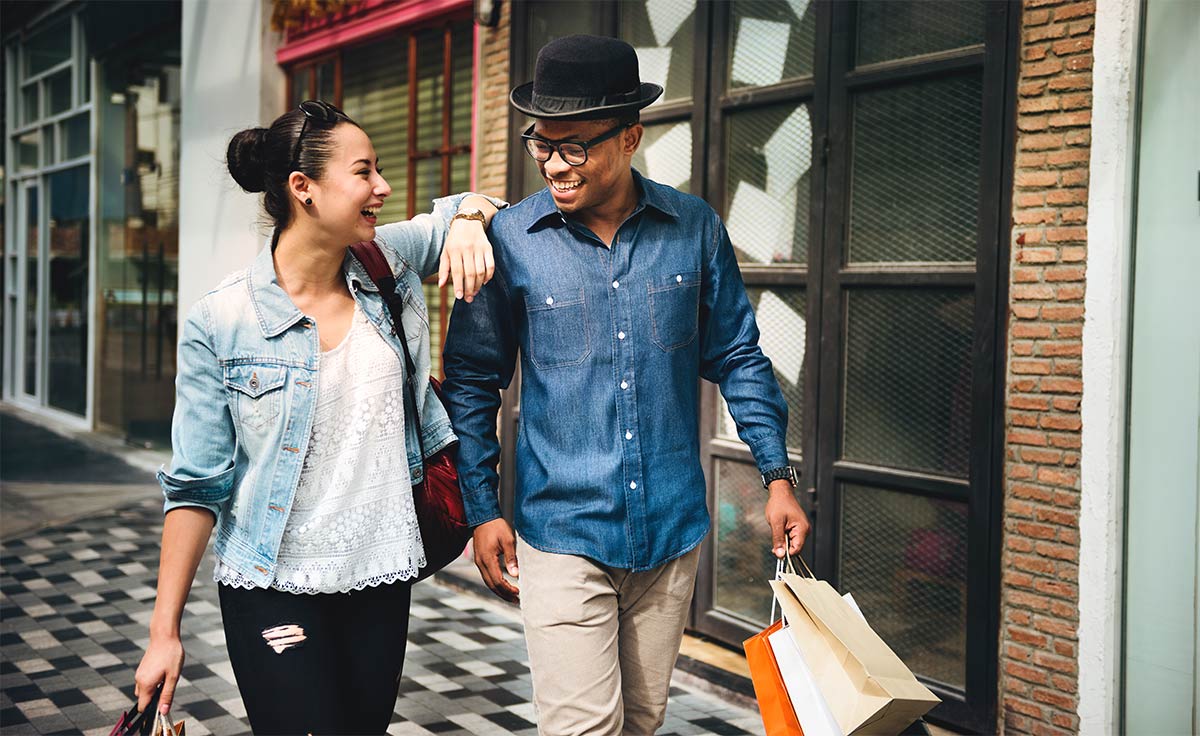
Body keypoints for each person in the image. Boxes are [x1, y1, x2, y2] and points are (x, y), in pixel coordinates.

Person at [441, 35, 810, 735]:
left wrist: (777, 475)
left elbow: (739, 353)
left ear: (631, 136)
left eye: (574, 145)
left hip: (670, 535)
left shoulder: (694, 228)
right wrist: (481, 508)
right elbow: (471, 382)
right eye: (542, 144)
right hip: (562, 534)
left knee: (641, 724)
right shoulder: (511, 240)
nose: (554, 162)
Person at [133, 100, 503, 735]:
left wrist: (470, 220)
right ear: (302, 188)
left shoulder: (385, 262)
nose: (382, 188)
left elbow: (476, 202)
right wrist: (163, 632)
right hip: (273, 579)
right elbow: (196, 485)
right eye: (364, 172)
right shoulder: (221, 321)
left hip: (380, 572)